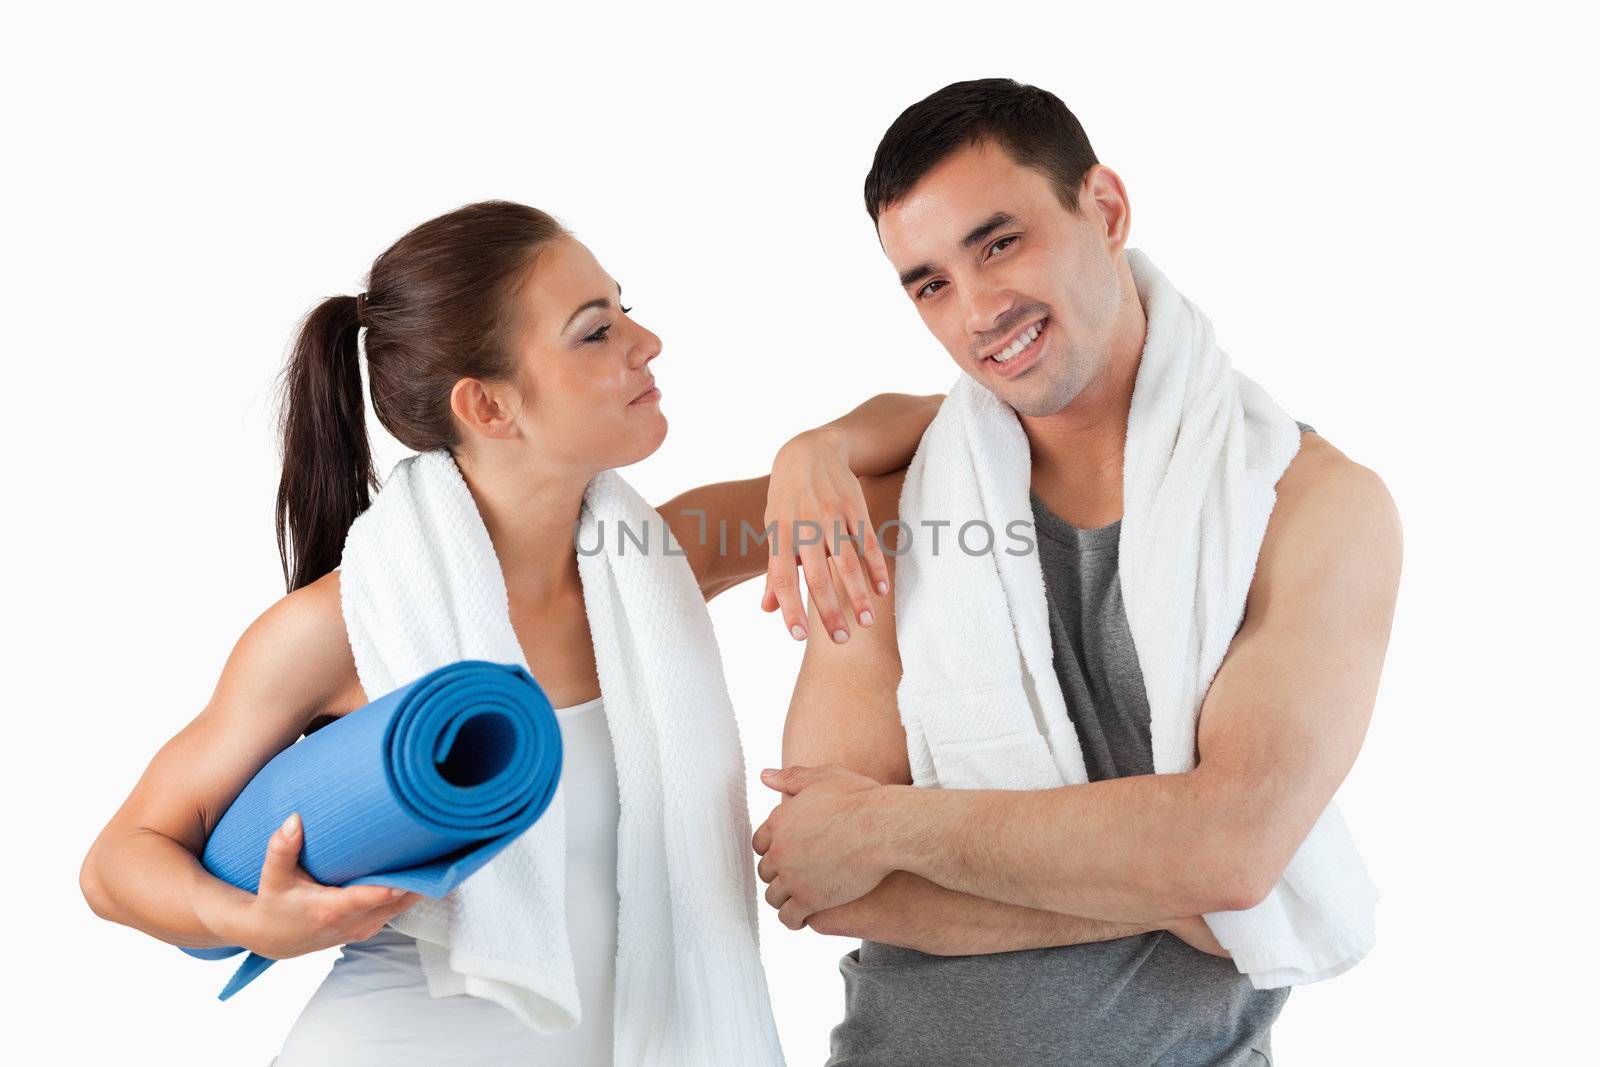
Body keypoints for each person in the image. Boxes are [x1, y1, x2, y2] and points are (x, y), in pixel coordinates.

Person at [78, 199, 941, 1064]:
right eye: (595, 331)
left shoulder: (661, 559)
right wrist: (251, 921)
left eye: (624, 310)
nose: (647, 344)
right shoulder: (340, 626)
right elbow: (119, 861)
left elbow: (951, 439)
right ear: (489, 407)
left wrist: (815, 450)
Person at [753, 79, 1402, 1065]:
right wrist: (1170, 883)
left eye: (998, 242)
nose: (976, 310)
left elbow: (1228, 849)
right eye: (929, 281)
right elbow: (828, 874)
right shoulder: (891, 506)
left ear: (1102, 208)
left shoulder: (1312, 507)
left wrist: (889, 821)